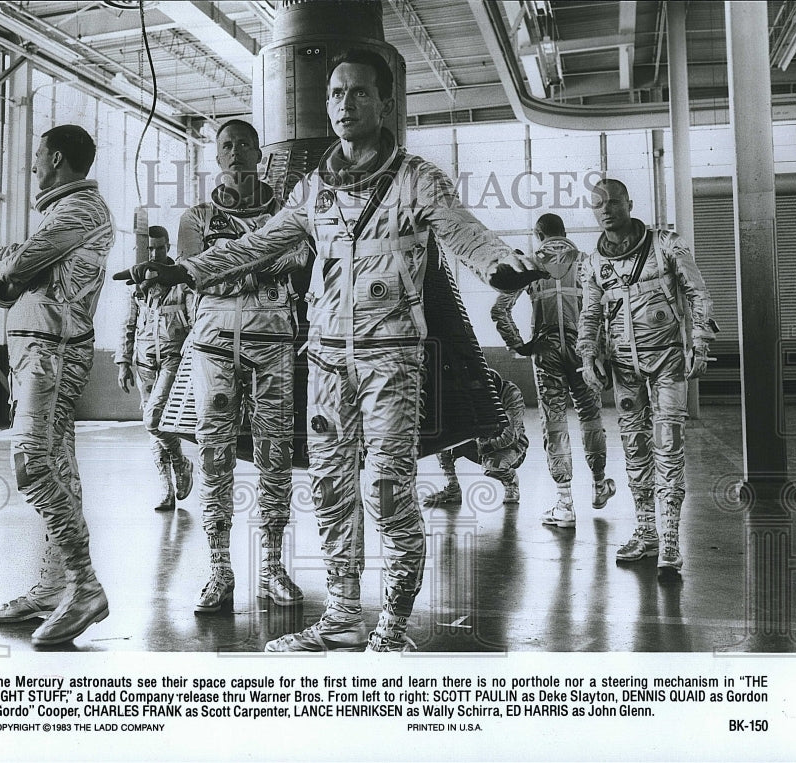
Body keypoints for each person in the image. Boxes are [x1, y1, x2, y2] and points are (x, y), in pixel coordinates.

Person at [130, 49, 546, 651]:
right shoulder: (312, 190)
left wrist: (500, 266)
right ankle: (343, 617)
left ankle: (393, 629)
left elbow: (462, 232)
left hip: (390, 359)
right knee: (328, 487)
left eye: (358, 93)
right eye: (335, 95)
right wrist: (184, 272)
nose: (345, 105)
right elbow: (259, 247)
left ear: (385, 104)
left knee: (387, 488)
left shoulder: (417, 179)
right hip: (325, 358)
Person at [0, 124, 115, 646]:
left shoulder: (80, 209)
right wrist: (13, 273)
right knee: (57, 462)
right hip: (39, 347)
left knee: (33, 462)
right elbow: (14, 282)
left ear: (56, 157)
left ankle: (84, 584)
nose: (34, 163)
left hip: (51, 349)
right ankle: (52, 588)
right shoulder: (61, 213)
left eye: (38, 154)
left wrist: (7, 264)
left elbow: (17, 265)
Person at [174, 119, 308, 613]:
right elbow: (195, 275)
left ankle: (272, 565)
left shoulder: (285, 210)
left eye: (243, 144)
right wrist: (258, 262)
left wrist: (224, 261)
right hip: (213, 343)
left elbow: (297, 255)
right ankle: (218, 569)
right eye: (226, 145)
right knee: (215, 455)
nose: (235, 153)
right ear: (216, 155)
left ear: (258, 151)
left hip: (273, 339)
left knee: (275, 454)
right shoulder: (196, 216)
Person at [578, 178, 716, 570]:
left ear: (629, 202)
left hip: (668, 361)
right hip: (624, 367)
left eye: (614, 202)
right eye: (598, 205)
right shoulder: (593, 263)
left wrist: (700, 342)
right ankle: (646, 531)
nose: (606, 210)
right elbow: (589, 315)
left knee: (668, 446)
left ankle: (671, 538)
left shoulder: (666, 245)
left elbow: (698, 293)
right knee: (635, 450)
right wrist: (589, 357)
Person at [490, 213, 616, 529]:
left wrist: (519, 345)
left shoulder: (530, 264)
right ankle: (599, 485)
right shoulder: (588, 261)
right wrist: (605, 353)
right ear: (564, 232)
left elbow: (499, 310)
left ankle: (564, 504)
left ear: (538, 235)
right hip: (582, 350)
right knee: (591, 416)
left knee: (555, 421)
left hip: (545, 352)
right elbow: (611, 308)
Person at [115, 225, 195, 512]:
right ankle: (166, 490)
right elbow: (128, 324)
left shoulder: (181, 280)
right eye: (150, 249)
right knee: (152, 432)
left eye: (159, 248)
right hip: (144, 362)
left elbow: (194, 320)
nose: (155, 253)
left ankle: (181, 462)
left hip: (173, 359)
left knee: (154, 420)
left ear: (168, 247)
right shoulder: (138, 285)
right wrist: (123, 362)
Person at [424, 368, 529, 507]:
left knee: (493, 467)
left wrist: (485, 445)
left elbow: (510, 437)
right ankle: (452, 488)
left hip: (510, 447)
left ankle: (511, 482)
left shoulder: (511, 395)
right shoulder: (472, 392)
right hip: (481, 442)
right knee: (442, 444)